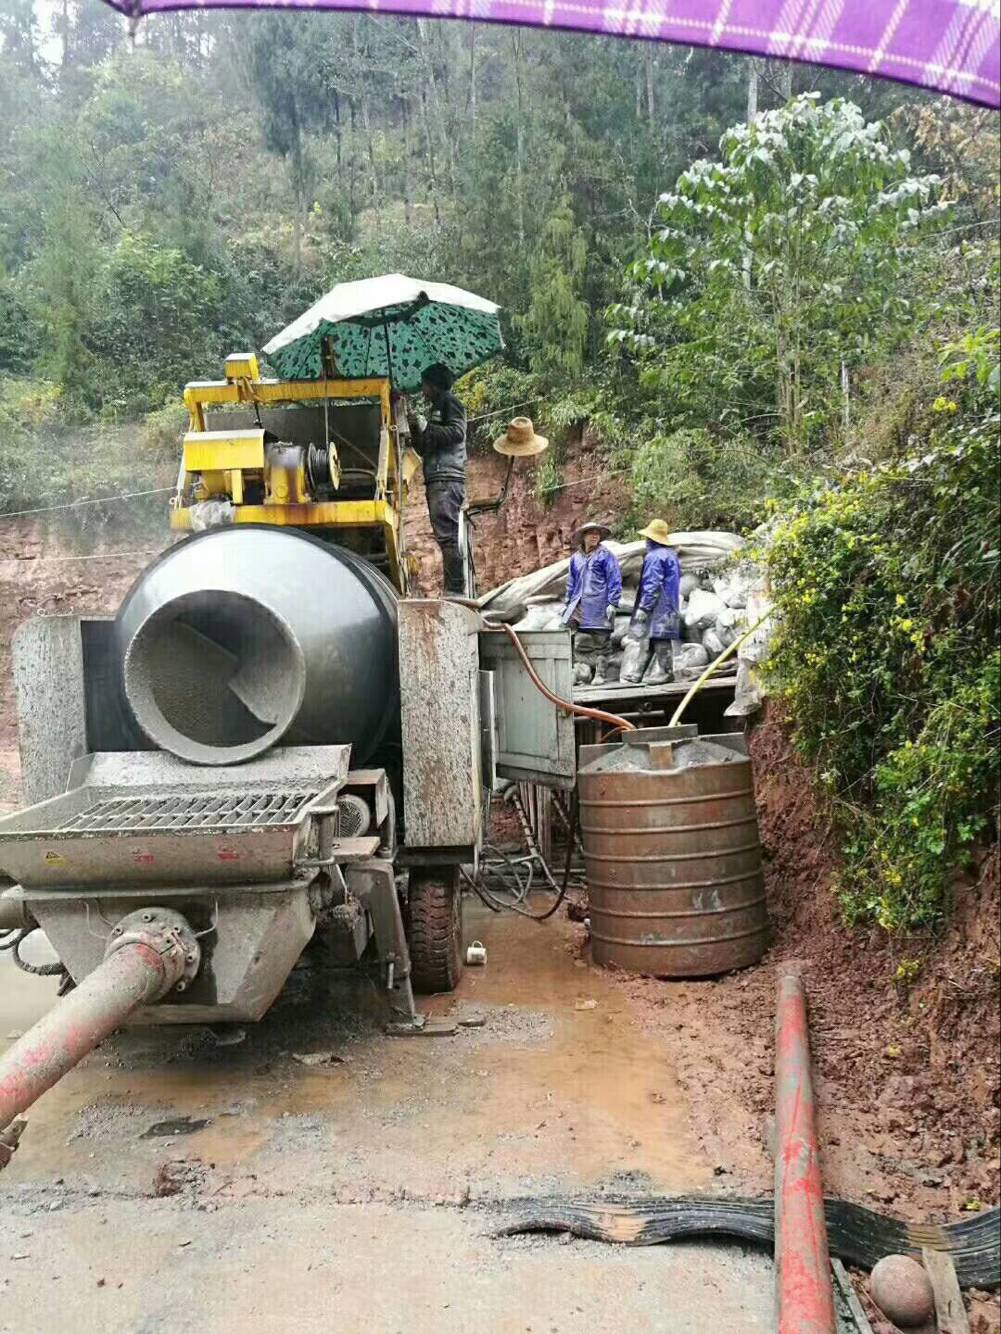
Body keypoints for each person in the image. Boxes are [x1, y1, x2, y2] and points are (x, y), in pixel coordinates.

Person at [409, 363, 467, 595]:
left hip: (447, 476)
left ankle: (454, 590)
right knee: (445, 536)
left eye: (425, 385)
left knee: (447, 535)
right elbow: (424, 449)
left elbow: (457, 432)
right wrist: (417, 430)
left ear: (434, 385)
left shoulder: (450, 403)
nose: (423, 390)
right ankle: (452, 588)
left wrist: (428, 428)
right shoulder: (435, 408)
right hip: (437, 476)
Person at [560, 521, 622, 687]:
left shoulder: (605, 555)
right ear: (583, 537)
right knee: (573, 638)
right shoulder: (576, 558)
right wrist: (568, 602)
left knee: (601, 641)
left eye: (597, 533)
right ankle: (578, 673)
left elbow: (614, 579)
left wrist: (612, 602)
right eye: (591, 533)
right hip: (579, 605)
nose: (595, 536)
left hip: (599, 604)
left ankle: (600, 674)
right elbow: (571, 582)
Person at [622, 518, 681, 685]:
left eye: (647, 538)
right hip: (668, 603)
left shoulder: (654, 557)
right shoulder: (670, 555)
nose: (646, 541)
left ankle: (666, 672)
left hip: (659, 605)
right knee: (650, 638)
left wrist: (644, 607)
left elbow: (652, 583)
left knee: (660, 638)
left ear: (651, 539)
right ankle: (637, 673)